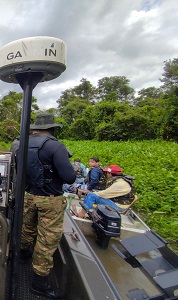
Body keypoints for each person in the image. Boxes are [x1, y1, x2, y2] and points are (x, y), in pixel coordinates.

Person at [20, 113, 76, 299]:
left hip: (28, 196)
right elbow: (69, 177)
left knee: (27, 227)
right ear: (52, 128)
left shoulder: (22, 144)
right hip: (50, 199)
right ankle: (39, 283)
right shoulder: (56, 146)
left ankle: (23, 254)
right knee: (47, 240)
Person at [71, 164, 135, 218]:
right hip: (121, 204)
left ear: (110, 174)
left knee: (91, 196)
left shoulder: (119, 184)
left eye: (107, 173)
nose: (106, 174)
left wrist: (90, 192)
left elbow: (103, 194)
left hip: (119, 207)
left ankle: (81, 214)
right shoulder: (122, 181)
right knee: (94, 195)